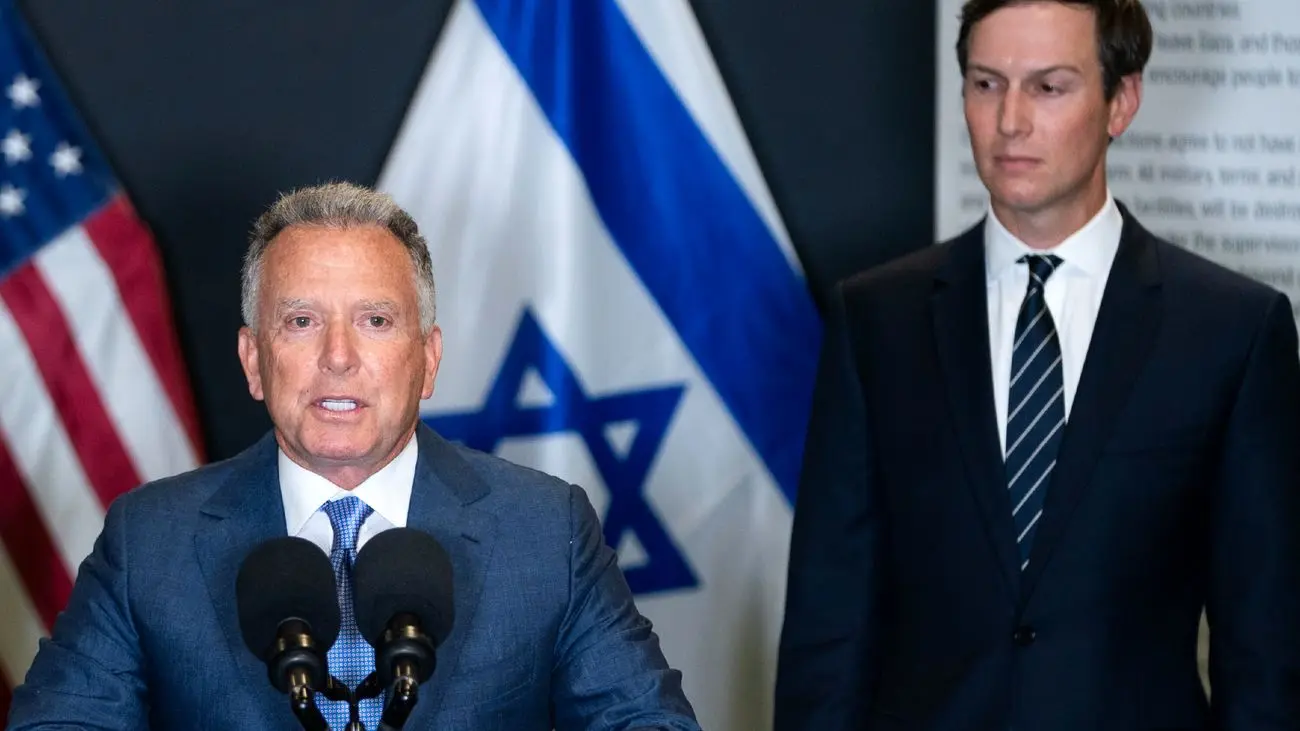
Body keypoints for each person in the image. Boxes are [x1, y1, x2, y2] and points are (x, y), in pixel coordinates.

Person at [774, 1, 1300, 729]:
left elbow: (1265, 647)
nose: (1010, 121)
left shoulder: (1231, 329)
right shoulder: (876, 321)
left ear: (1122, 101)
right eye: (987, 84)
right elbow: (828, 624)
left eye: (1049, 87)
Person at [7, 182, 701, 731]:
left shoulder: (545, 531)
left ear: (427, 360)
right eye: (301, 321)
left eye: (375, 320)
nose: (338, 357)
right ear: (253, 360)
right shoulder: (150, 541)